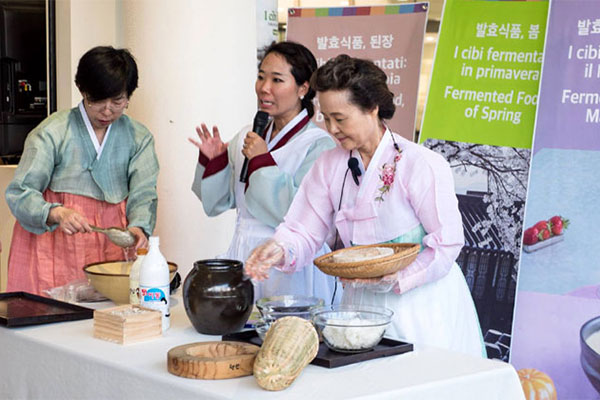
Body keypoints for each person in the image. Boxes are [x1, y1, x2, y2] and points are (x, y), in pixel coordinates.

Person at [245, 55, 484, 357]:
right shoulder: (329, 165)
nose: (331, 128)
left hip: (420, 304)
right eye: (326, 118)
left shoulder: (420, 164)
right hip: (360, 308)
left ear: (372, 109)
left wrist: (396, 278)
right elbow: (302, 228)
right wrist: (278, 248)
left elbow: (447, 243)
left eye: (340, 118)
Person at [190, 41, 339, 302]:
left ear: (303, 88)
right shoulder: (248, 136)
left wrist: (261, 161)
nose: (264, 88)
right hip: (244, 253)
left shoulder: (318, 145)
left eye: (277, 80)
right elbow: (217, 204)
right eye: (261, 77)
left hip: (290, 262)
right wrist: (215, 161)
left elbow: (298, 214)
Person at [5, 46, 159, 295]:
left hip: (111, 243)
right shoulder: (52, 132)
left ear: (129, 96)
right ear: (83, 91)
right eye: (97, 100)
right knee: (50, 322)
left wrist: (139, 227)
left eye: (118, 101)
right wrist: (56, 213)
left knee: (107, 319)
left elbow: (144, 192)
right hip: (55, 242)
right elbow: (19, 193)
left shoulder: (138, 138)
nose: (107, 110)